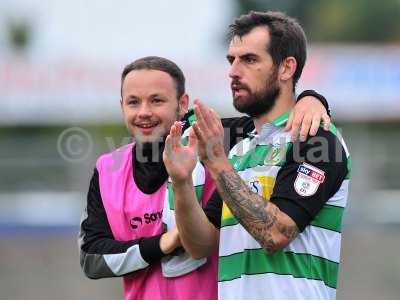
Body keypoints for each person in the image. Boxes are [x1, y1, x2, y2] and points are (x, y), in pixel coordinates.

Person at [78, 56, 332, 300]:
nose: (144, 112)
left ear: (182, 103)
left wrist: (311, 99)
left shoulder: (217, 138)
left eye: (157, 100)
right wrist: (164, 243)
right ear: (121, 105)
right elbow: (92, 259)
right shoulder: (108, 168)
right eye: (133, 102)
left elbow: (273, 124)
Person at [164, 11, 351, 300]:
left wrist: (215, 161)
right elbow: (201, 245)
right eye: (231, 60)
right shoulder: (241, 151)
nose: (233, 71)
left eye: (249, 59)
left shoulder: (318, 139)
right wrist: (182, 183)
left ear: (286, 68)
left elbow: (276, 233)